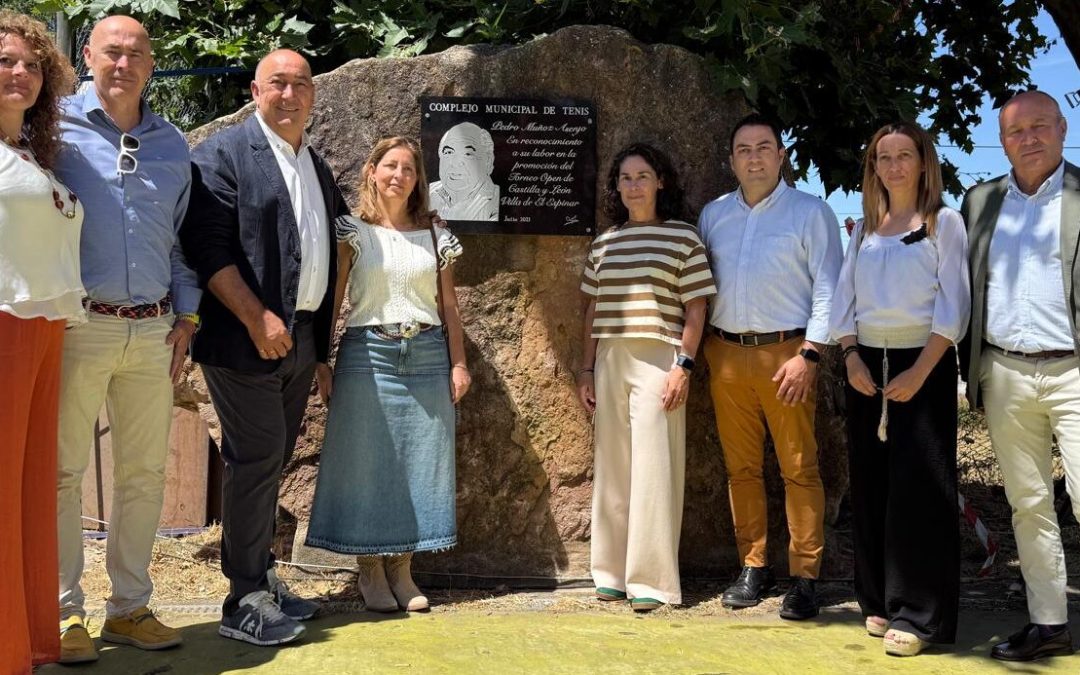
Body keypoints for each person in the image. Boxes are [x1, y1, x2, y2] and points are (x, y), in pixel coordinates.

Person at [180, 48, 349, 647]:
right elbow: (207, 248)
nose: (289, 94)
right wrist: (256, 318)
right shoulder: (224, 155)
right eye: (277, 82)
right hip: (243, 338)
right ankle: (242, 599)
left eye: (301, 84)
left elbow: (332, 247)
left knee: (270, 461)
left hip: (299, 340)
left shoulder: (315, 163)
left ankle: (263, 577)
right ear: (255, 90)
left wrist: (319, 349)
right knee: (255, 460)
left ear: (313, 95)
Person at [52, 15, 198, 662]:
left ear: (151, 63)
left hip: (153, 331)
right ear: (87, 55)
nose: (123, 63)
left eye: (136, 53)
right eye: (112, 51)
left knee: (143, 474)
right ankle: (63, 612)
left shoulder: (170, 143)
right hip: (77, 325)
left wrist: (188, 318)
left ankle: (130, 608)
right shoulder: (52, 128)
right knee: (62, 474)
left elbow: (181, 243)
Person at [306, 136, 469, 613]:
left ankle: (402, 568)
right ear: (372, 172)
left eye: (409, 169)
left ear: (418, 180)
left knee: (421, 462)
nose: (399, 175)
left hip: (428, 356)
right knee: (366, 463)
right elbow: (335, 299)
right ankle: (370, 569)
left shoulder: (436, 235)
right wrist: (322, 360)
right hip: (368, 355)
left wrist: (459, 363)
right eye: (391, 166)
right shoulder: (353, 231)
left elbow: (449, 306)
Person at [830, 122, 970, 656]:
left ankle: (921, 615)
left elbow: (953, 303)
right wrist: (850, 356)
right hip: (866, 365)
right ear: (873, 167)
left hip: (923, 362)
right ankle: (878, 599)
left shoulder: (943, 223)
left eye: (903, 155)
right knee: (871, 486)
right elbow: (845, 298)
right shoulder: (865, 229)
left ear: (922, 161)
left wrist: (921, 371)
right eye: (882, 157)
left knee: (921, 491)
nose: (893, 166)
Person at [698, 113, 842, 620]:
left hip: (789, 356)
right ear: (731, 160)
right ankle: (753, 565)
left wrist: (811, 354)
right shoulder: (713, 215)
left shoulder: (811, 212)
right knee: (740, 469)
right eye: (744, 149)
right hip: (725, 354)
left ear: (781, 156)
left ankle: (805, 576)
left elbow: (829, 287)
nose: (754, 157)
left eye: (764, 148)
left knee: (799, 468)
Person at [961, 90, 1080, 663]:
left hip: (1074, 369)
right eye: (1015, 131)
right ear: (1002, 141)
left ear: (1063, 128)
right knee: (1029, 505)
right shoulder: (980, 201)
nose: (1028, 138)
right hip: (1004, 370)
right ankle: (1049, 625)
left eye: (1040, 126)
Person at [577, 142, 716, 612]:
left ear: (661, 182)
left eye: (642, 176)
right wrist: (586, 367)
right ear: (616, 187)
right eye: (625, 178)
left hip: (661, 359)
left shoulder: (683, 237)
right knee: (613, 470)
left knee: (655, 469)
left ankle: (652, 582)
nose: (633, 185)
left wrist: (684, 365)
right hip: (610, 358)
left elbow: (696, 306)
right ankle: (611, 574)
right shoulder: (605, 242)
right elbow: (592, 309)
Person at [0, 11, 82, 674]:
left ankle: (24, 642)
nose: (20, 72)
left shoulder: (30, 154)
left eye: (32, 64)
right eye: (5, 60)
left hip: (45, 326)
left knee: (29, 491)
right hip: (5, 326)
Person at [428, 121, 499, 221]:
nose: (455, 163)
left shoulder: (498, 202)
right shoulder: (426, 192)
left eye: (468, 154)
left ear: (488, 161)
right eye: (449, 152)